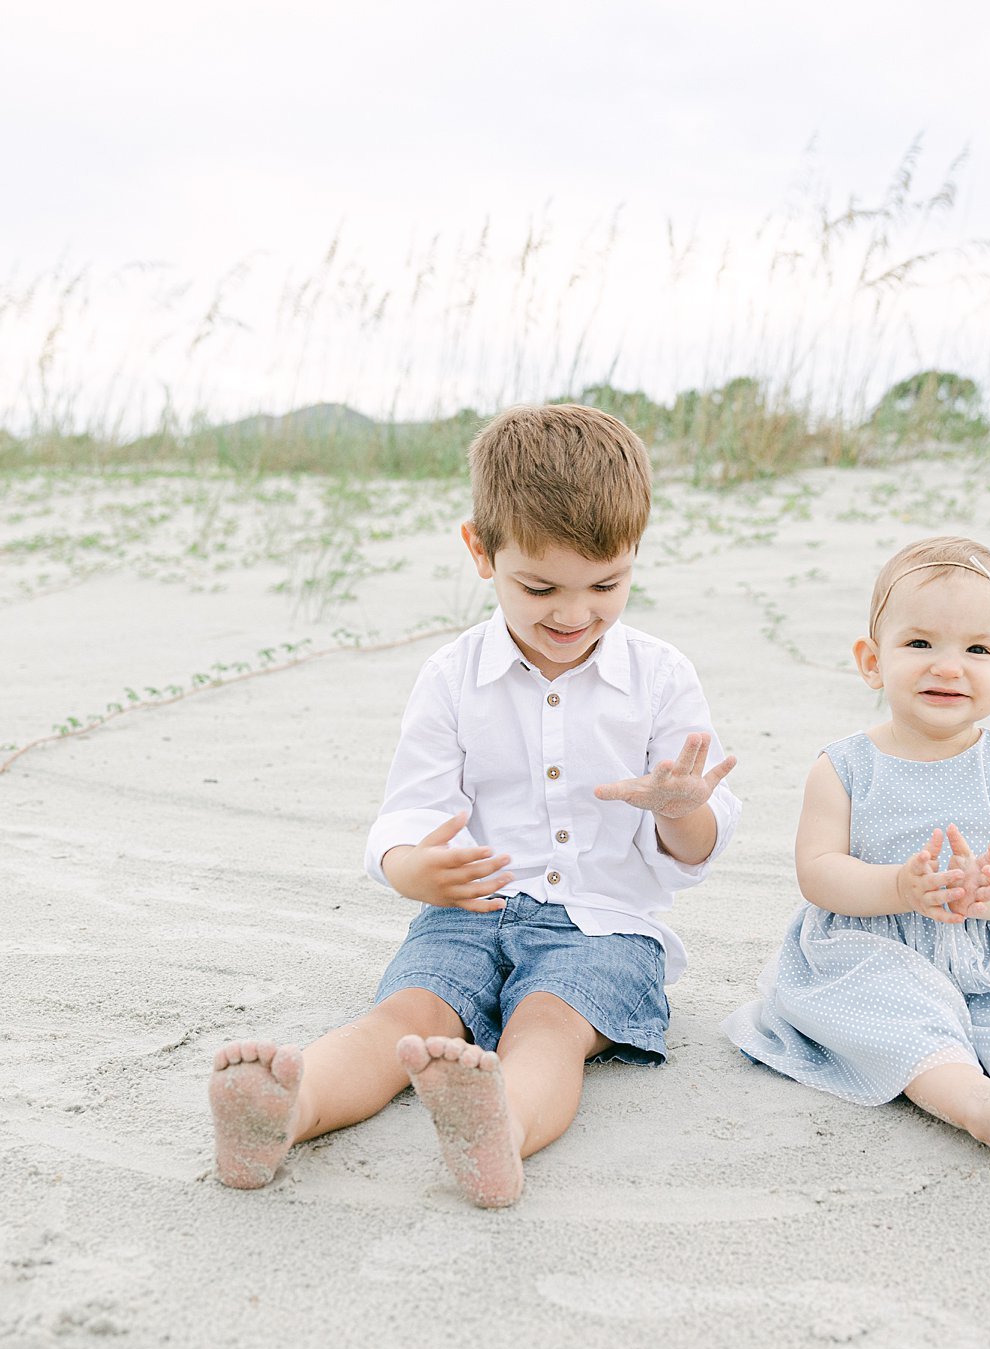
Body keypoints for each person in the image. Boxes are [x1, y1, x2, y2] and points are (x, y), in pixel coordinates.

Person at [209, 404, 740, 1206]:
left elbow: (696, 848)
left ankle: (502, 1128)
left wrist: (678, 806)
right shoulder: (451, 676)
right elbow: (408, 813)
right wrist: (421, 870)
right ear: (480, 551)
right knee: (403, 1017)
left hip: (605, 925)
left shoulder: (662, 676)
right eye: (540, 586)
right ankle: (288, 1107)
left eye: (607, 584)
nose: (573, 613)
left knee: (549, 1028)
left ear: (634, 554)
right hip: (469, 910)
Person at [723, 534, 990, 1161]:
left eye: (978, 649)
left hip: (986, 942)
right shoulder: (845, 766)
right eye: (920, 643)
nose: (948, 666)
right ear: (872, 660)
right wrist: (897, 888)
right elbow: (818, 874)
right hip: (872, 943)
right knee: (903, 1019)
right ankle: (980, 1106)